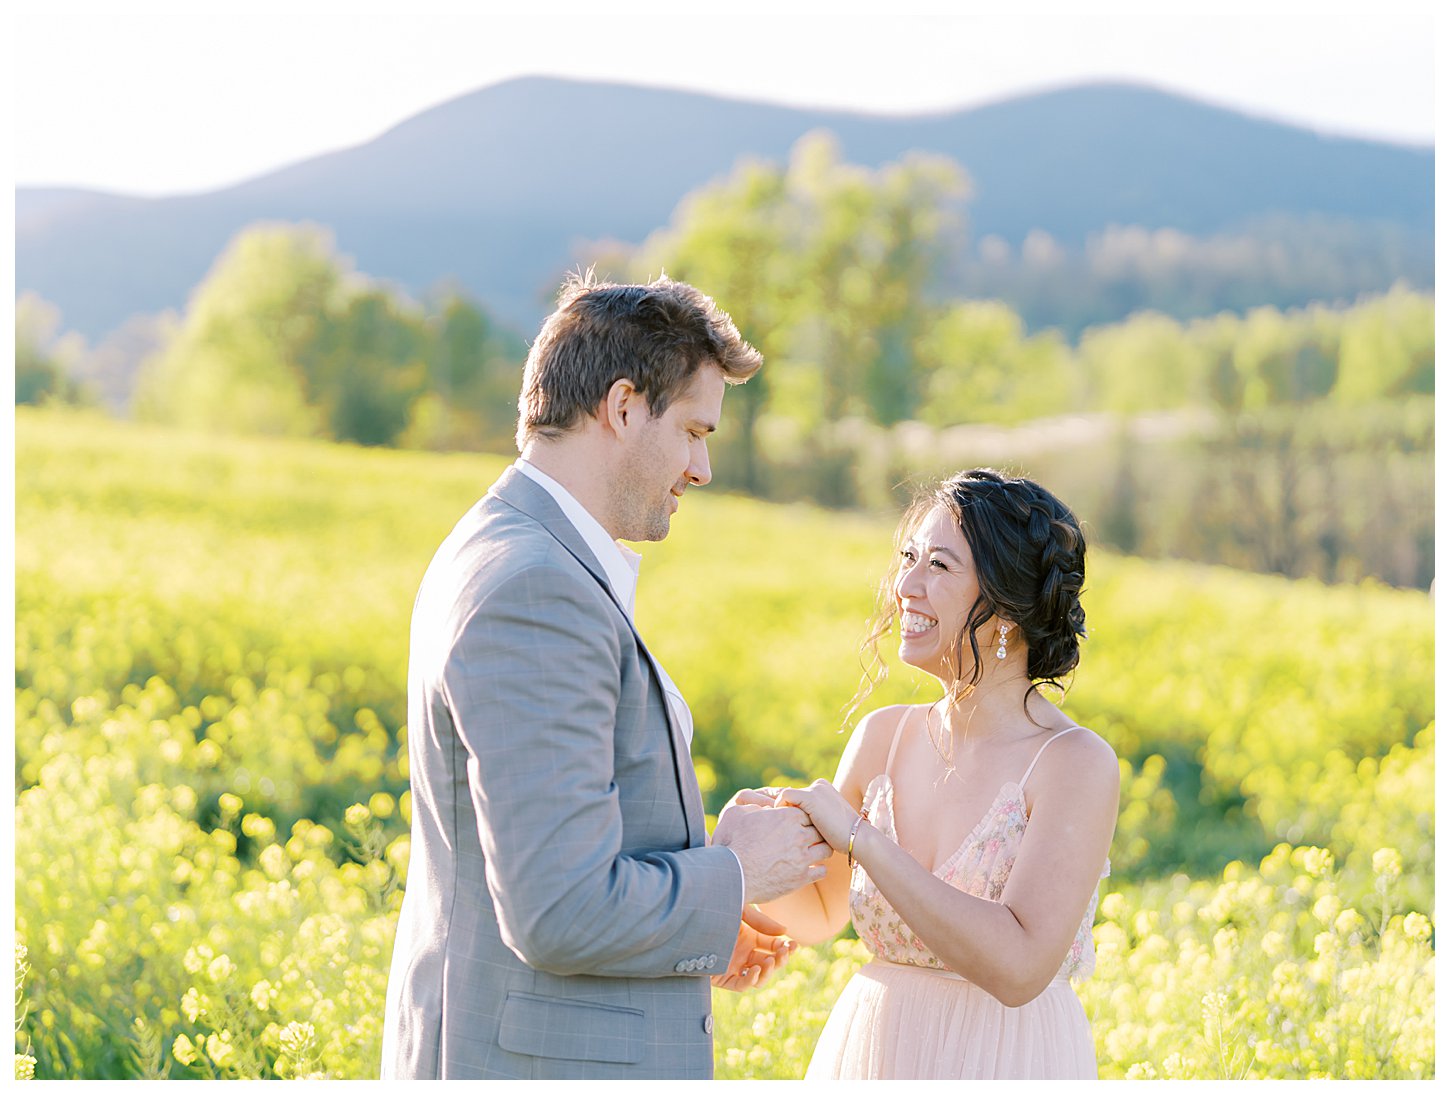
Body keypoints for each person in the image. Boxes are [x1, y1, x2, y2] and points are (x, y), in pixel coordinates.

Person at [380, 273, 832, 1080]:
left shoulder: (517, 548)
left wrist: (698, 913)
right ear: (623, 408)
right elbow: (558, 910)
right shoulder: (535, 587)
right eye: (694, 431)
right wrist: (734, 873)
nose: (702, 467)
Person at [746, 469, 1119, 1080]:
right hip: (875, 1050)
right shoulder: (881, 738)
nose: (905, 587)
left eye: (939, 567)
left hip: (1006, 1061)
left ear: (1005, 607)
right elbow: (820, 908)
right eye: (908, 558)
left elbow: (1019, 967)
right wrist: (736, 858)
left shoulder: (1074, 762)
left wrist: (862, 839)